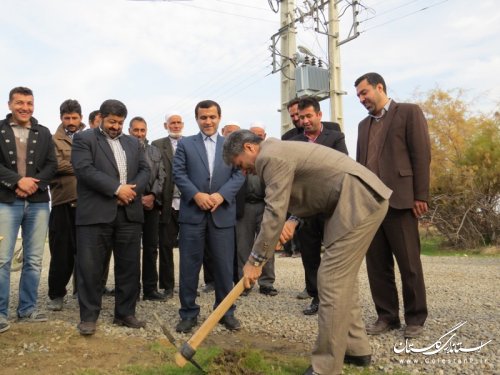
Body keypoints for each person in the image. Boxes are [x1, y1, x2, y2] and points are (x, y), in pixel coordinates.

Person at [223, 130, 392, 375]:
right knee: (341, 281)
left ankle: (325, 367)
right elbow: (310, 189)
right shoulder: (277, 150)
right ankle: (355, 349)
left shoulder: (270, 156)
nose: (244, 171)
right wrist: (290, 221)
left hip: (357, 199)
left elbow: (273, 211)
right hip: (350, 200)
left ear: (249, 148)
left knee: (331, 281)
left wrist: (256, 260)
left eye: (240, 164)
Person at [354, 72, 431, 338]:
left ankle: (415, 318)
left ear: (379, 87)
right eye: (358, 96)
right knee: (377, 265)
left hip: (401, 201)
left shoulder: (408, 112)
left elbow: (421, 155)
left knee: (409, 264)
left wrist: (420, 195)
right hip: (371, 205)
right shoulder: (363, 126)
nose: (362, 99)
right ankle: (387, 316)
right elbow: (361, 166)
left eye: (364, 93)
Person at [71, 99, 150, 336]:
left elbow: (146, 170)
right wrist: (117, 189)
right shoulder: (84, 139)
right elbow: (84, 169)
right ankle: (89, 317)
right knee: (91, 267)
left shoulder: (134, 143)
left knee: (129, 266)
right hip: (96, 213)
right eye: (112, 121)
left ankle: (125, 313)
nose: (116, 126)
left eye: (120, 122)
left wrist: (131, 192)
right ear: (101, 118)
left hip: (129, 213)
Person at [173, 100, 244, 333]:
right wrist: (196, 195)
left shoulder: (230, 144)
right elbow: (179, 173)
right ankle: (188, 313)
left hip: (221, 213)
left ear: (219, 118)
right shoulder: (185, 144)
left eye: (212, 117)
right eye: (203, 117)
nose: (208, 121)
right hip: (193, 214)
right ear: (197, 119)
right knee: (189, 266)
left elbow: (239, 174)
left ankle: (225, 312)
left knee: (224, 267)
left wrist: (222, 196)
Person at [0, 87, 57, 333]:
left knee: (34, 260)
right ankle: (0, 313)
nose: (25, 107)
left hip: (38, 202)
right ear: (9, 104)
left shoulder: (43, 132)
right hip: (5, 200)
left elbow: (51, 165)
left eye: (29, 103)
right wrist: (16, 181)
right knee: (2, 259)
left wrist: (32, 184)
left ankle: (27, 308)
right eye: (20, 103)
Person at [289, 96, 348, 316]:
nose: (304, 121)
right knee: (310, 256)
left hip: (332, 207)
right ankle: (316, 297)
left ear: (319, 115)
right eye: (301, 117)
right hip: (307, 209)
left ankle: (337, 299)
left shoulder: (335, 137)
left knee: (336, 255)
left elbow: (341, 165)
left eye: (309, 116)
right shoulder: (295, 143)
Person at [47, 99, 85, 311]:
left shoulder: (89, 138)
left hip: (87, 203)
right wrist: (82, 165)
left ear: (80, 118)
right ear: (61, 118)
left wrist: (73, 165)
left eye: (74, 118)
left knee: (86, 252)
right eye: (67, 118)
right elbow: (53, 164)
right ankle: (56, 294)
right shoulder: (53, 140)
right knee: (61, 251)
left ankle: (83, 292)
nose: (71, 121)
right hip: (63, 200)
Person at [235, 122, 277, 296]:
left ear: (264, 136)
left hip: (265, 205)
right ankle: (244, 283)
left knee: (267, 244)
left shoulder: (270, 156)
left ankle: (266, 283)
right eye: (253, 134)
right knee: (243, 246)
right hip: (244, 207)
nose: (257, 137)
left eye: (260, 134)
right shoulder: (241, 156)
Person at [128, 116, 166, 301]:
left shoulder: (155, 151)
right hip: (130, 205)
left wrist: (153, 196)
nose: (139, 134)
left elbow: (162, 176)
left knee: (151, 248)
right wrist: (137, 197)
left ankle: (150, 289)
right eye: (136, 130)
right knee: (131, 250)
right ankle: (132, 290)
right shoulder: (124, 150)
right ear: (129, 131)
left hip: (152, 205)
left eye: (142, 130)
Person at [152, 113, 184, 299]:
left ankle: (189, 284)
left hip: (188, 204)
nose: (176, 125)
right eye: (172, 123)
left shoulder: (190, 143)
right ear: (166, 125)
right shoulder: (157, 145)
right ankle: (167, 286)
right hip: (166, 203)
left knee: (189, 247)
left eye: (179, 122)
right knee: (165, 245)